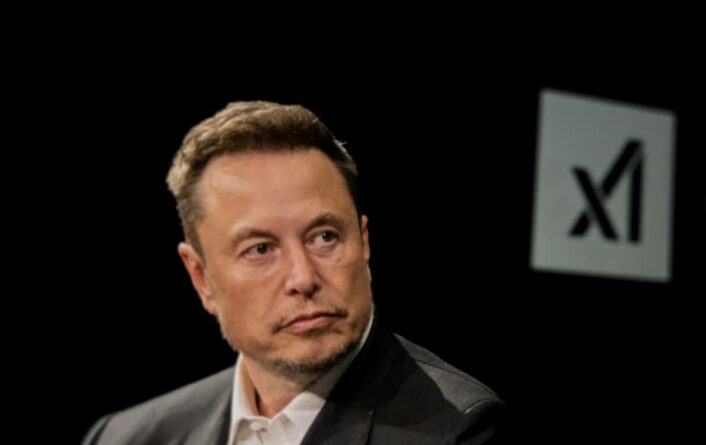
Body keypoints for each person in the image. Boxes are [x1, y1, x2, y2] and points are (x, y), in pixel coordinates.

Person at [82, 101, 511, 445]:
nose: (303, 278)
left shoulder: (459, 430)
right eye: (260, 249)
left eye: (325, 237)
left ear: (364, 244)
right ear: (201, 277)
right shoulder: (125, 436)